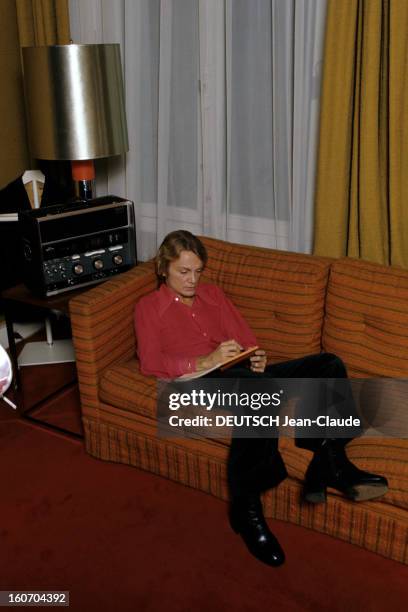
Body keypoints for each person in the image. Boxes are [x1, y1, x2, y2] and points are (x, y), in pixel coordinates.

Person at [134, 230, 388, 567]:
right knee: (263, 391)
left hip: (239, 374)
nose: (192, 280)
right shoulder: (148, 307)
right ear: (163, 268)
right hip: (195, 381)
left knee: (328, 363)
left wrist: (256, 357)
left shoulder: (213, 295)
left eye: (198, 271)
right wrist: (204, 361)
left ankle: (327, 454)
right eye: (184, 272)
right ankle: (247, 506)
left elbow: (247, 339)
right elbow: (151, 363)